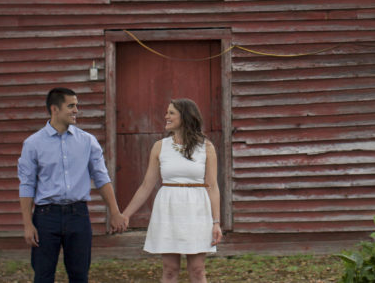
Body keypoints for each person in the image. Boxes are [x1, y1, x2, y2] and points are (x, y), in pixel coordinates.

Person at [18, 87, 129, 283]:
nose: (76, 110)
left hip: (78, 215)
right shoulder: (32, 144)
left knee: (79, 276)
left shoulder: (88, 142)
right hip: (45, 217)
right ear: (55, 109)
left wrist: (115, 212)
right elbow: (27, 185)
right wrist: (28, 224)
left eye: (77, 106)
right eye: (71, 106)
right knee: (43, 276)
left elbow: (102, 178)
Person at [121, 98, 223, 283]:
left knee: (198, 270)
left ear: (185, 116)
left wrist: (216, 222)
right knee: (169, 270)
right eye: (167, 112)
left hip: (197, 210)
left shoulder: (206, 147)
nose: (166, 116)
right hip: (168, 209)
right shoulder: (160, 147)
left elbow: (213, 186)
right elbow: (146, 185)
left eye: (171, 113)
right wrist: (126, 214)